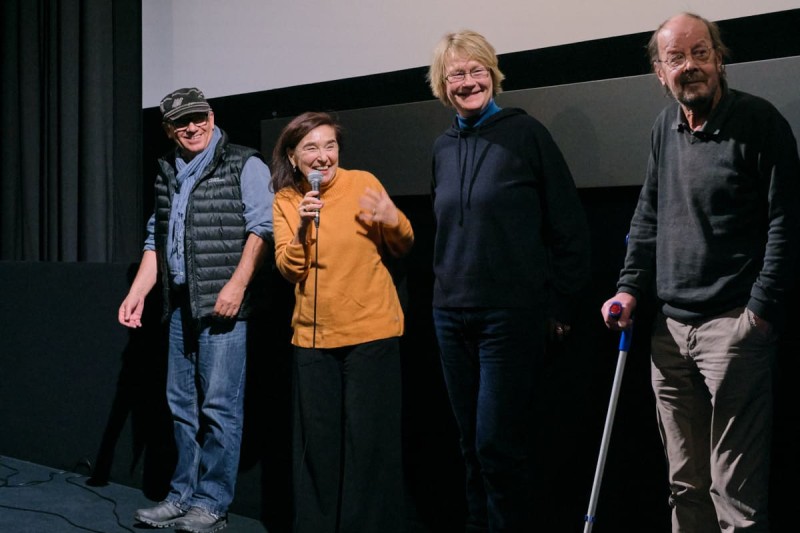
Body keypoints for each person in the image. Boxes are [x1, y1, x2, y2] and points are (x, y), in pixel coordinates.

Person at [601, 12, 800, 532]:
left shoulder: (759, 123)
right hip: (668, 333)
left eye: (700, 53)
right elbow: (648, 216)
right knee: (684, 486)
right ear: (659, 72)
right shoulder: (662, 130)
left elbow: (787, 222)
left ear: (719, 58)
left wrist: (758, 313)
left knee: (735, 495)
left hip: (732, 330)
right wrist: (627, 289)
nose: (690, 66)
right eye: (676, 58)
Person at [427, 30, 591, 532]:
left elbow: (568, 226)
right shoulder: (441, 148)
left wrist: (561, 307)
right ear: (442, 84)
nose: (468, 81)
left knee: (498, 446)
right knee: (469, 447)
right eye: (457, 73)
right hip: (450, 315)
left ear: (493, 75)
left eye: (477, 70)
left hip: (510, 316)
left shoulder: (527, 134)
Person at [118, 87, 274, 533]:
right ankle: (182, 495)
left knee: (220, 408)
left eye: (198, 117)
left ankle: (212, 503)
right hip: (181, 305)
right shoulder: (168, 169)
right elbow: (157, 238)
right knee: (181, 405)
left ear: (211, 115)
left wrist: (237, 287)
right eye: (181, 122)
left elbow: (263, 228)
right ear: (168, 128)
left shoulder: (244, 162)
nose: (192, 127)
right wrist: (138, 293)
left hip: (225, 306)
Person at [270, 111, 414, 533]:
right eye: (311, 148)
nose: (323, 156)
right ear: (294, 157)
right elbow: (288, 269)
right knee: (319, 448)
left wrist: (394, 219)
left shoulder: (364, 182)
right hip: (313, 338)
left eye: (330, 146)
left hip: (371, 331)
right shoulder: (286, 200)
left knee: (368, 445)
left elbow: (402, 244)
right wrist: (301, 227)